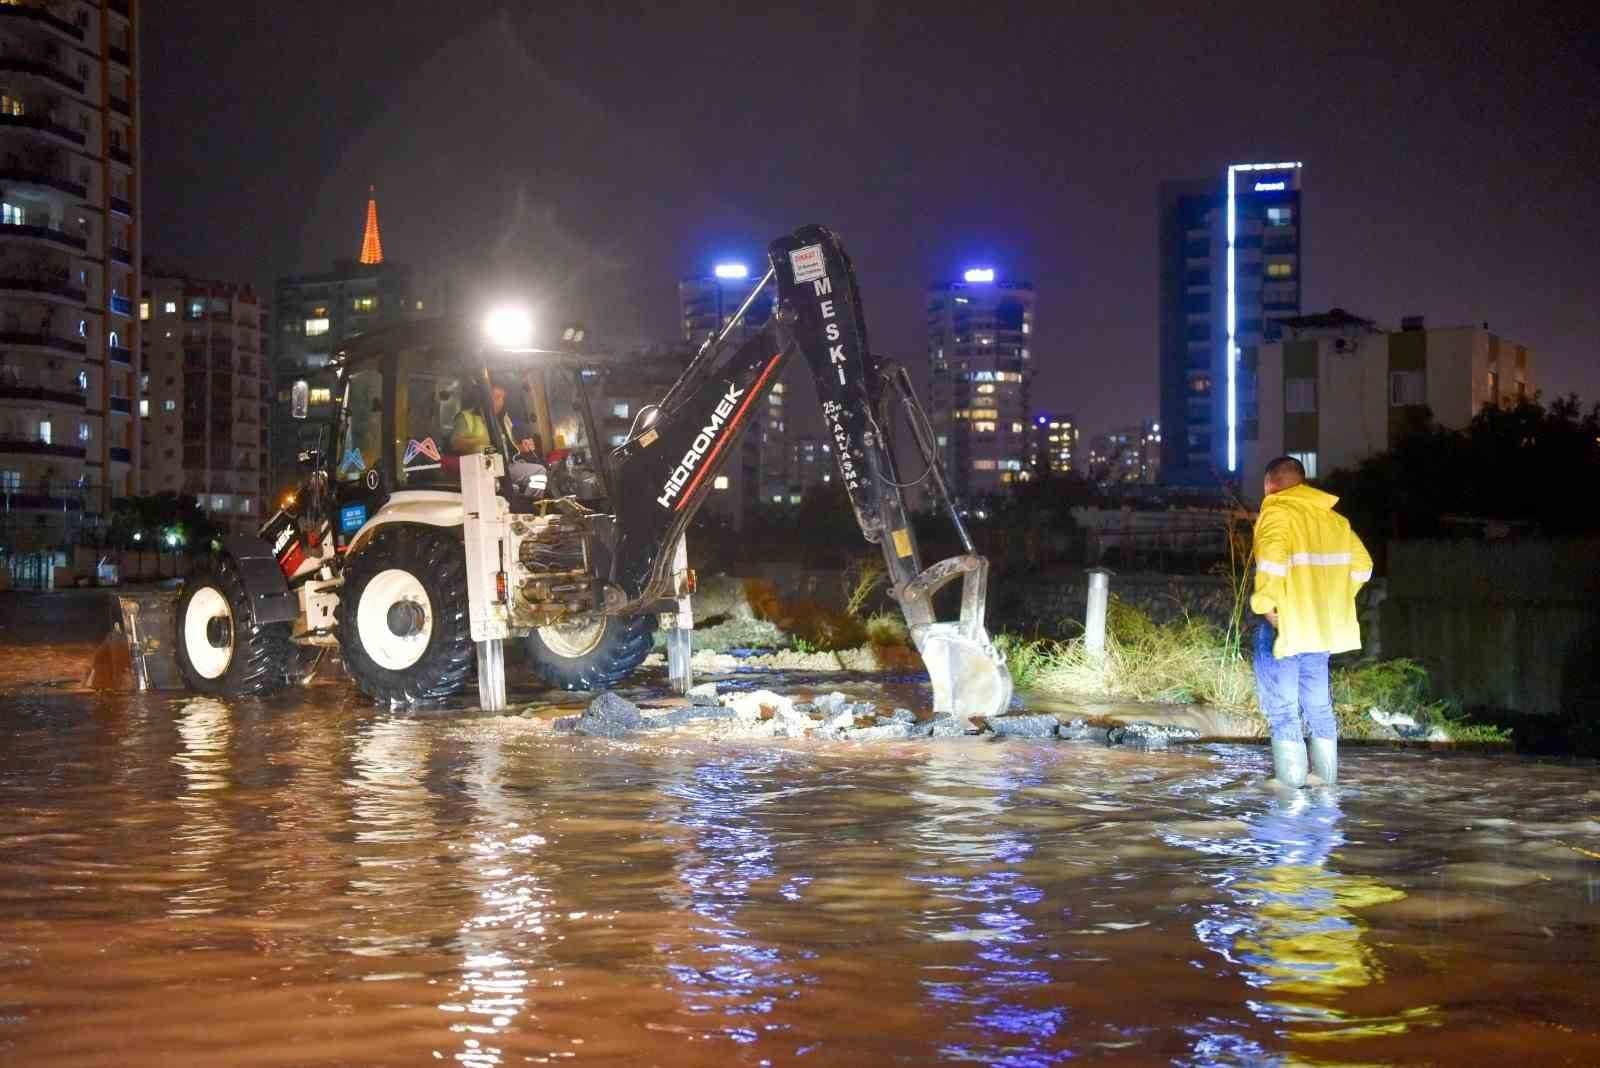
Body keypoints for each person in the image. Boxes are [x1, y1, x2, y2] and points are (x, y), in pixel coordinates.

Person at [1250, 456, 1373, 788]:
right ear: (1303, 482)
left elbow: (1273, 561)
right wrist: (1333, 597)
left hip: (1285, 627)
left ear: (1269, 484)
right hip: (1319, 630)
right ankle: (1325, 784)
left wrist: (1265, 603)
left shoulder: (1276, 510)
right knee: (1320, 709)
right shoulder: (1335, 520)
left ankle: (1289, 791)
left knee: (1283, 710)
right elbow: (1364, 566)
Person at [450, 382, 539, 458]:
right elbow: (456, 444)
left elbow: (504, 449)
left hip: (505, 465)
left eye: (502, 398)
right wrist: (481, 441)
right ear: (484, 398)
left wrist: (521, 448)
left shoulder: (504, 419)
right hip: (479, 469)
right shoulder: (466, 417)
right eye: (497, 397)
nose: (501, 402)